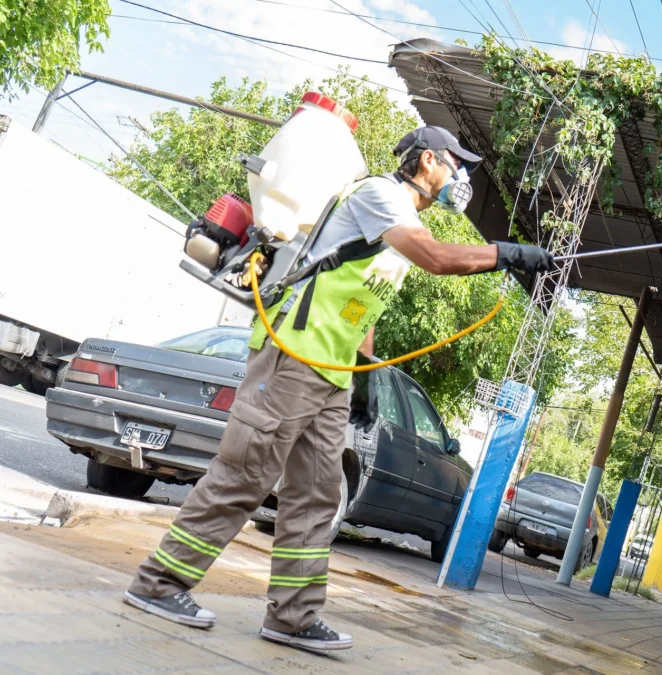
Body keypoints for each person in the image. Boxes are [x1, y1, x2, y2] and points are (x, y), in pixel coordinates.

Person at [124, 126, 554, 653]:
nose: (460, 176)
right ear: (425, 161)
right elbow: (436, 258)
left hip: (330, 373)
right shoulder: (380, 195)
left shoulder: (404, 218)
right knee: (247, 473)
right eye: (454, 163)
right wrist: (505, 254)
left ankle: (293, 617)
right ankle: (159, 583)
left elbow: (360, 305)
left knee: (316, 496)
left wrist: (364, 374)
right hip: (294, 354)